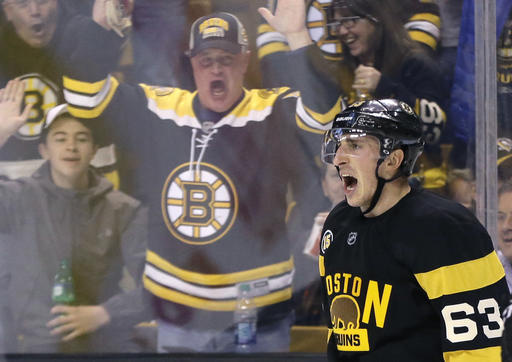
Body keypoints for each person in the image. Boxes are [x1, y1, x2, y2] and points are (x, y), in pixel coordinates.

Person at [62, 11, 332, 352]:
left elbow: (325, 118)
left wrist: (297, 37)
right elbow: (83, 100)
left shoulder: (270, 110)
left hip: (257, 312)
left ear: (244, 61)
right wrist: (102, 29)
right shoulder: (159, 108)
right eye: (206, 60)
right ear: (191, 63)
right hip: (180, 314)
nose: (216, 69)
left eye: (226, 59)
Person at [317, 98, 508, 361]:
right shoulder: (338, 223)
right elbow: (341, 336)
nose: (338, 158)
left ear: (393, 160)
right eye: (339, 145)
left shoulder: (445, 229)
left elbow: (480, 349)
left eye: (355, 145)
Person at [0, 79, 149, 353]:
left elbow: (158, 286)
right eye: (60, 138)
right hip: (30, 345)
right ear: (44, 150)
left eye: (81, 138)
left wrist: (105, 313)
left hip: (100, 343)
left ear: (93, 150)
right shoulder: (17, 198)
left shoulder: (123, 209)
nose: (71, 147)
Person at [259, 0, 446, 164]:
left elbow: (436, 129)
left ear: (377, 18)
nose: (341, 31)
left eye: (350, 21)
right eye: (337, 23)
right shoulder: (345, 70)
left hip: (417, 183)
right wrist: (297, 35)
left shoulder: (414, 63)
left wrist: (385, 87)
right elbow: (323, 120)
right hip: (365, 183)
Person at [0, 0, 121, 184]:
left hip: (91, 184)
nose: (34, 11)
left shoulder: (86, 34)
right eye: (23, 4)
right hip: (17, 191)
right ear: (7, 11)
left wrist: (102, 30)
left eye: (42, 1)